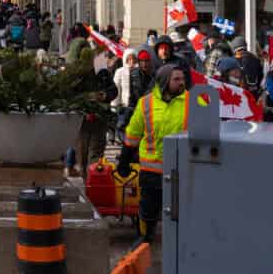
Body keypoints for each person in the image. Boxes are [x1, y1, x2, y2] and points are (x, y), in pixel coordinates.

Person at [119, 64, 189, 244]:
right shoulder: (146, 103)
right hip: (152, 170)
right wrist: (124, 161)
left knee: (181, 210)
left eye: (182, 79)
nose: (182, 83)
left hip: (181, 169)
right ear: (165, 81)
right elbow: (133, 134)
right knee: (148, 210)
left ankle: (180, 243)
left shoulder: (193, 101)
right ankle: (144, 238)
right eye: (176, 79)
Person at [73, 47, 117, 179]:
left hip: (99, 121)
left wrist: (104, 96)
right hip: (81, 121)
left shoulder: (103, 73)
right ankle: (84, 184)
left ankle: (92, 186)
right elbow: (69, 94)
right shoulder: (77, 74)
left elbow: (113, 90)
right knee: (82, 156)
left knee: (95, 156)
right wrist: (83, 101)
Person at [111, 49, 138, 144]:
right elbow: (116, 89)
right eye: (129, 59)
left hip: (136, 106)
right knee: (122, 127)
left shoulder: (139, 72)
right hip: (124, 105)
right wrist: (114, 104)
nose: (131, 61)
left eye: (133, 59)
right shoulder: (120, 72)